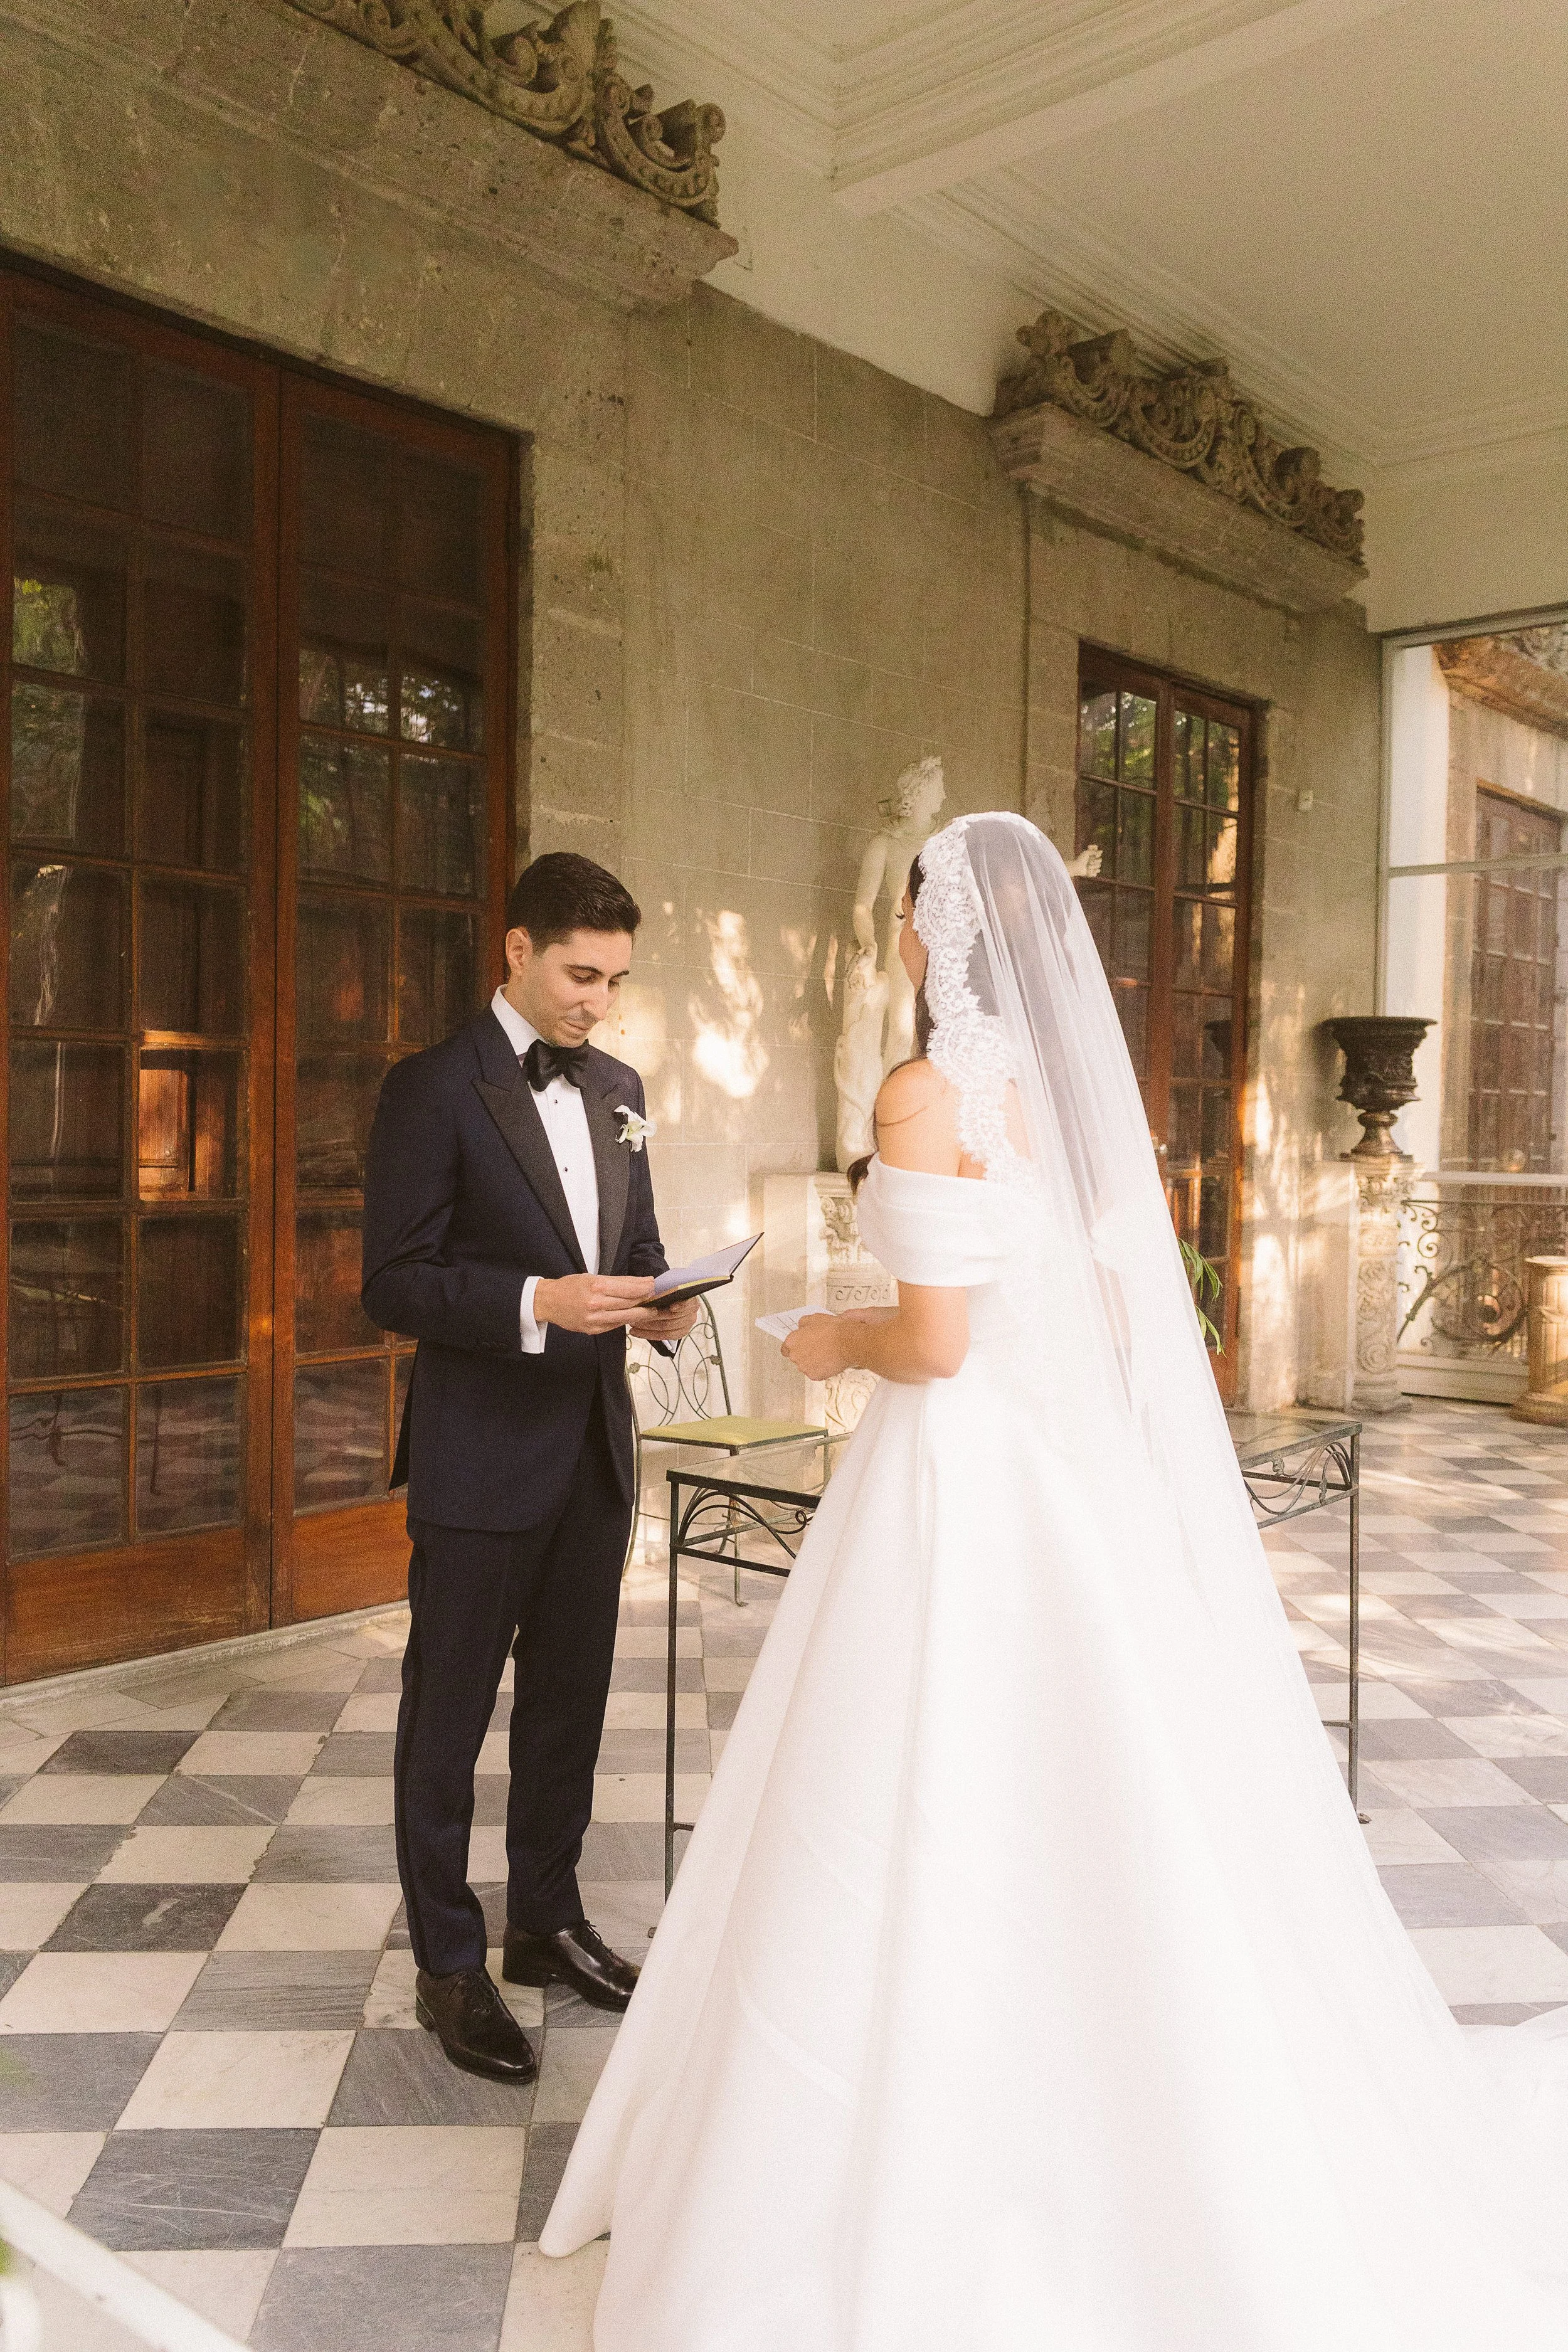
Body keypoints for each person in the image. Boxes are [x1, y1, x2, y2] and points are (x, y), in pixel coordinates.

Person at [542, 812, 1568, 2347]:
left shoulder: (922, 1090)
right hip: (1052, 1484)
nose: (895, 936)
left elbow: (934, 1344)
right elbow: (1075, 1292)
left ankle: (882, 2139)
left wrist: (829, 1335)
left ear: (927, 929)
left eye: (904, 912)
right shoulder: (1047, 1095)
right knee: (1074, 1781)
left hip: (950, 1479)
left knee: (900, 1777)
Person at [361, 852, 698, 2084]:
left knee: (569, 1706)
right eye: (577, 973)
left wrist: (671, 1308)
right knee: (443, 1720)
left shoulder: (620, 1087)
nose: (596, 1001)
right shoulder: (431, 1089)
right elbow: (389, 1279)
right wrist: (530, 1300)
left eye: (613, 978)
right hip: (476, 1454)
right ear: (514, 950)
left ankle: (540, 1922)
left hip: (594, 1454)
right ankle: (448, 1963)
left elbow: (644, 1248)